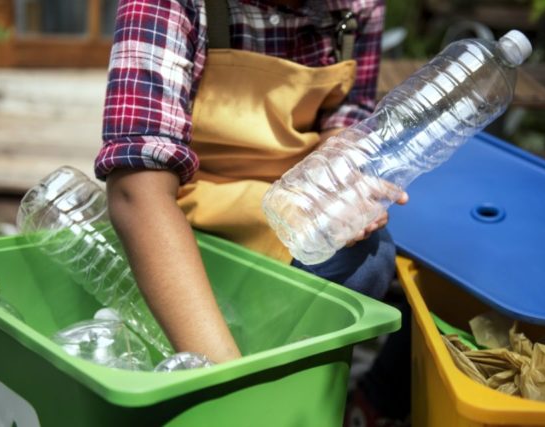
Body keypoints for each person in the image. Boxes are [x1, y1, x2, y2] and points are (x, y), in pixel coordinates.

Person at [96, 0, 407, 373]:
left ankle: (285, 376)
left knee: (368, 258)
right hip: (185, 210)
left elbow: (347, 115)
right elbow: (137, 191)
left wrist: (340, 183)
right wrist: (225, 379)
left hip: (288, 206)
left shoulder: (357, 6)